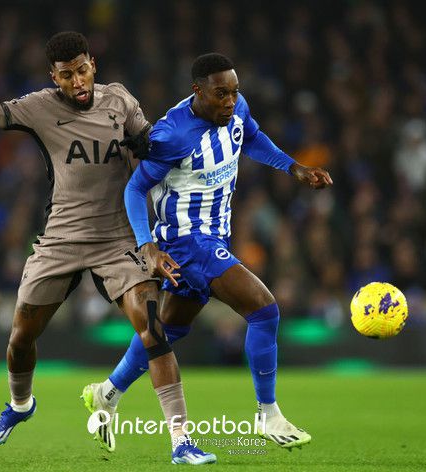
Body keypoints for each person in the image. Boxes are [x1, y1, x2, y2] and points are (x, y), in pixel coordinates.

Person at [0, 32, 216, 465]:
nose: (77, 82)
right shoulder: (38, 107)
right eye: (66, 75)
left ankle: (180, 441)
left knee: (153, 331)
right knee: (21, 337)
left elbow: (156, 149)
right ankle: (20, 404)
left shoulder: (120, 100)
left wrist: (148, 147)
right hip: (62, 239)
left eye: (81, 71)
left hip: (119, 239)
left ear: (93, 65)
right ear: (53, 77)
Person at [84, 53, 333, 451]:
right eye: (221, 94)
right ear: (197, 91)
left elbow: (250, 136)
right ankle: (267, 414)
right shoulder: (171, 134)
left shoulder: (236, 107)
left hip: (215, 237)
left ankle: (107, 394)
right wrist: (147, 245)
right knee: (264, 310)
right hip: (187, 242)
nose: (230, 101)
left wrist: (293, 167)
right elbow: (134, 188)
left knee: (169, 330)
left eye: (234, 92)